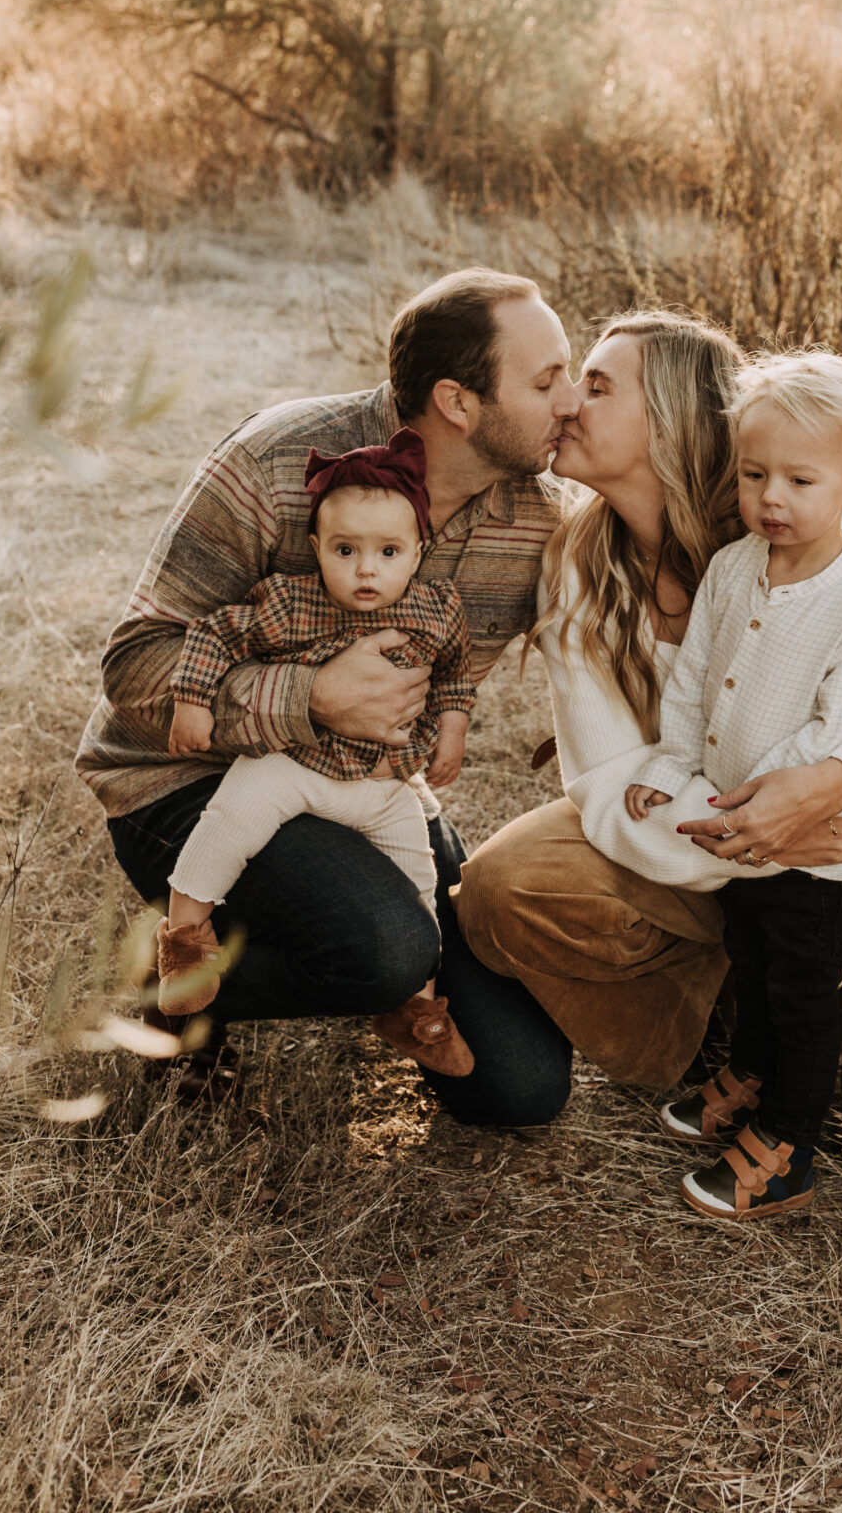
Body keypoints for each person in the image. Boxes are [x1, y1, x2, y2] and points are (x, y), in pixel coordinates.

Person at [454, 311, 842, 1133]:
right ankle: (717, 1030)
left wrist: (833, 788)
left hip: (833, 826)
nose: (572, 402)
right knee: (501, 887)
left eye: (599, 384)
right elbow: (608, 777)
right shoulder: (578, 571)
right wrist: (757, 836)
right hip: (696, 836)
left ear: (671, 421)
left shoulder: (798, 519)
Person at [76, 267, 581, 1124]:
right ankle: (183, 986)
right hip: (186, 786)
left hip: (372, 785)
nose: (570, 401)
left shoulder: (538, 516)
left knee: (518, 1089)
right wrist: (311, 695)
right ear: (457, 403)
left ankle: (363, 972)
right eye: (546, 381)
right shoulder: (277, 459)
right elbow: (134, 671)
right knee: (384, 946)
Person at [628, 350, 842, 1223]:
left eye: (799, 479)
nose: (771, 498)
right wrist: (675, 767)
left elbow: (841, 731)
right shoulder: (733, 568)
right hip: (732, 827)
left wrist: (768, 805)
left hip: (807, 854)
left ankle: (788, 1143)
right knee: (747, 959)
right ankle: (745, 1078)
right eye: (754, 475)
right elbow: (695, 677)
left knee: (799, 991)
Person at [153, 429, 477, 1079]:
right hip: (295, 764)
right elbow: (216, 634)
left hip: (385, 782)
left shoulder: (437, 611)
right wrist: (192, 700)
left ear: (418, 552)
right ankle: (186, 939)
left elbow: (455, 671)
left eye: (387, 551)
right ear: (316, 550)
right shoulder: (290, 603)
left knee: (423, 885)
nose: (365, 569)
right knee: (232, 817)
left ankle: (412, 1009)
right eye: (345, 549)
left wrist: (454, 724)